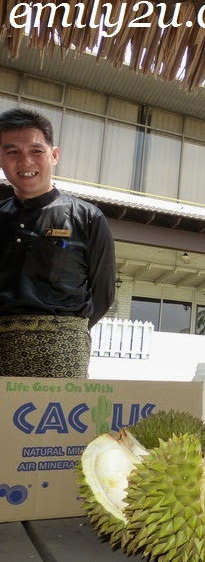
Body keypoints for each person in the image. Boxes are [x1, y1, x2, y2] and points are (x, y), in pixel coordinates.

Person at [0, 108, 116, 378]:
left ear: (54, 155)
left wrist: (64, 332)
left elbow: (104, 293)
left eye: (36, 151)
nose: (25, 161)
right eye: (12, 151)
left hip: (62, 351)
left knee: (57, 409)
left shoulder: (87, 217)